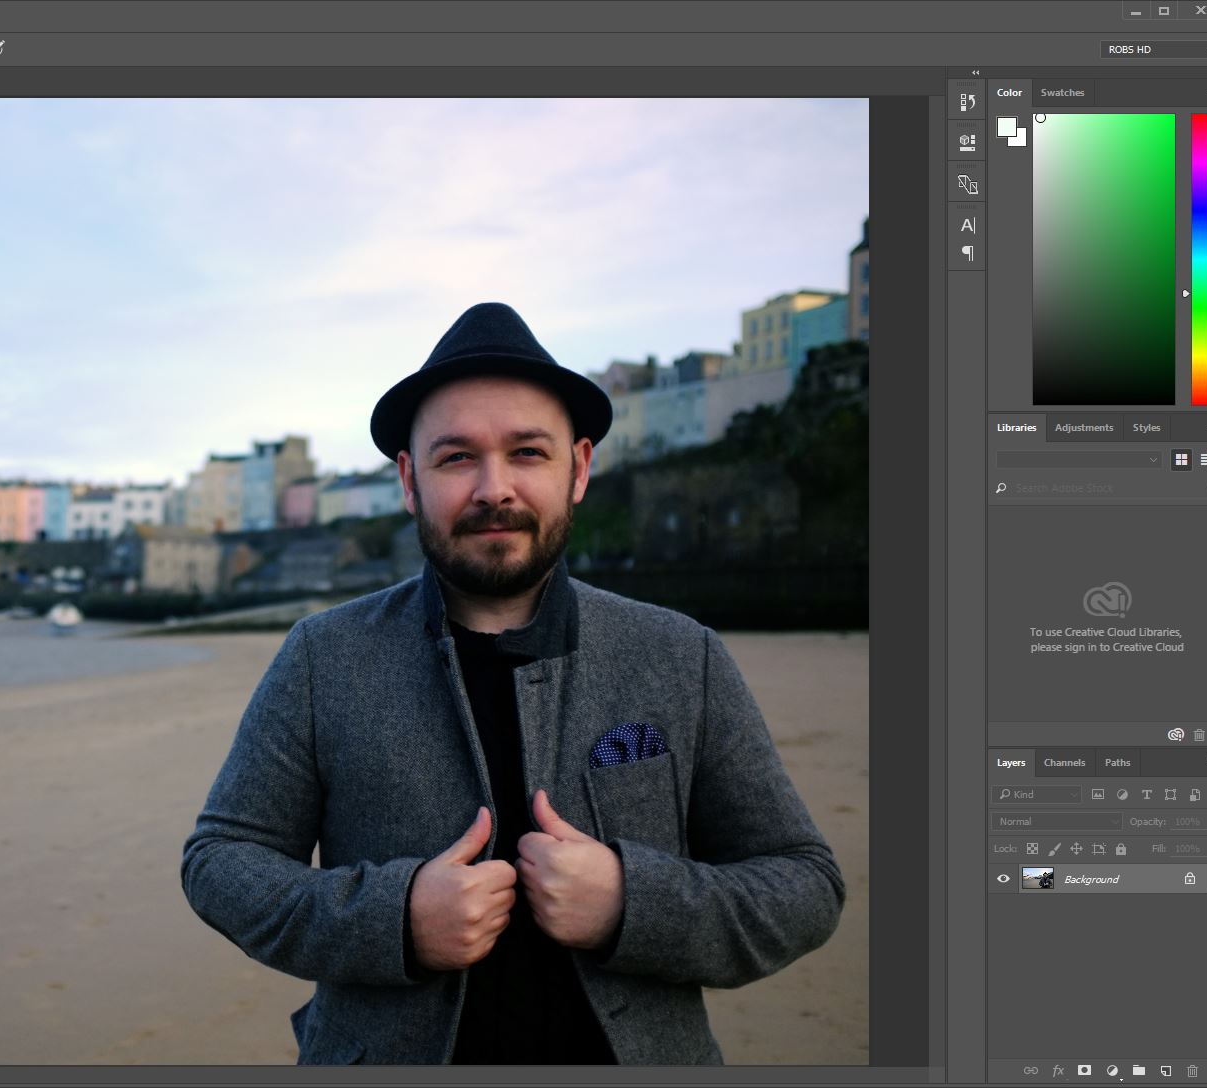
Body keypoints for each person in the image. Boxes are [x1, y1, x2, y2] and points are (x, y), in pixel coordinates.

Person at [180, 302, 844, 1065]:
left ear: (579, 467)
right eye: (455, 457)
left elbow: (803, 885)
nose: (493, 488)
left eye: (527, 452)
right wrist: (391, 920)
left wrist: (632, 904)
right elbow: (222, 860)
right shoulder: (321, 657)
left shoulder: (677, 654)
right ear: (408, 479)